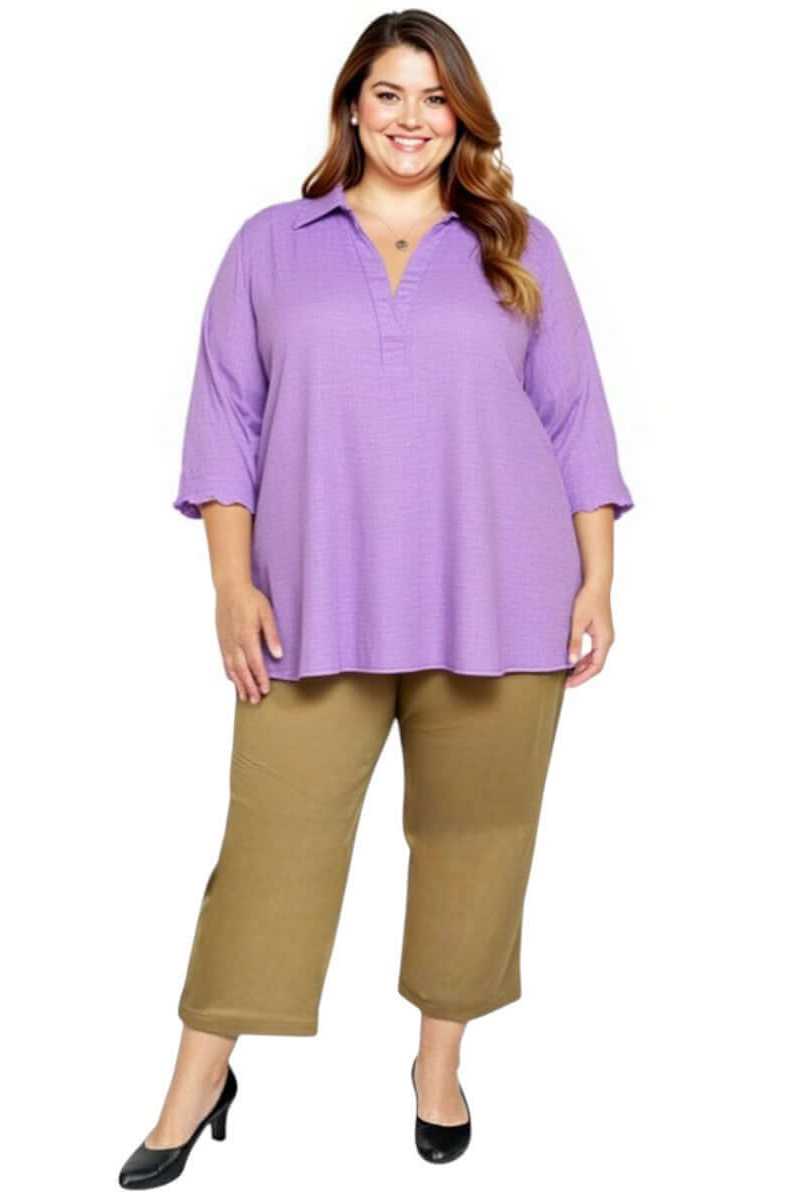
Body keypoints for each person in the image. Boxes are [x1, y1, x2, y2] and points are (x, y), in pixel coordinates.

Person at [119, 8, 634, 1186]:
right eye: (390, 93)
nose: (413, 119)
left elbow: (574, 420)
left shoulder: (517, 245)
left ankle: (437, 1068)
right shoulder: (272, 244)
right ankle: (197, 1081)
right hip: (312, 602)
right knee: (271, 845)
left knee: (476, 843)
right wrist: (231, 584)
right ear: (352, 105)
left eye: (436, 98)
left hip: (502, 595)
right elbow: (228, 420)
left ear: (464, 116)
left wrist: (599, 575)